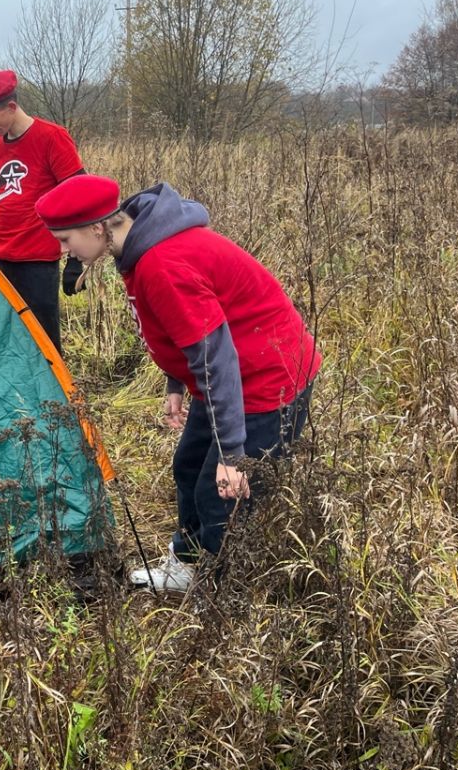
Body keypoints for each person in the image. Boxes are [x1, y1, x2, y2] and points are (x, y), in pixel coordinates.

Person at [35, 174, 322, 591]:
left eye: (65, 239)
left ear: (97, 227)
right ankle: (185, 566)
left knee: (221, 493)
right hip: (228, 380)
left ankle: (224, 595)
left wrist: (233, 456)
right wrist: (176, 382)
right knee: (188, 466)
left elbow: (216, 358)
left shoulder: (161, 262)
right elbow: (182, 327)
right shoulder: (138, 246)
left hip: (267, 382)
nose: (64, 251)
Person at [0, 69, 86, 355]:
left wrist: (76, 259)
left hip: (38, 262)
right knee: (7, 342)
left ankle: (55, 386)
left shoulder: (52, 138)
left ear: (10, 107)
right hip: (1, 259)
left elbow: (80, 198)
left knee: (43, 344)